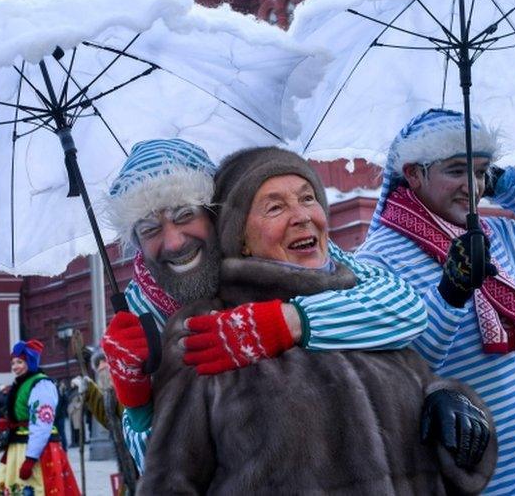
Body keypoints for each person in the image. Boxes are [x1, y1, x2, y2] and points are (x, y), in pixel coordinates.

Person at [130, 146, 494, 493]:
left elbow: (417, 351)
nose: (302, 216)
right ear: (238, 235)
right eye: (274, 208)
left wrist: (449, 401)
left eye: (308, 198)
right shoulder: (206, 329)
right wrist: (138, 406)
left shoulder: (359, 291)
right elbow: (170, 477)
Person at [356, 108, 515, 494]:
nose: (471, 186)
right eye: (456, 170)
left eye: (481, 172)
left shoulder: (494, 236)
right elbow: (396, 373)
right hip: (490, 479)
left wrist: (502, 182)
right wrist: (449, 294)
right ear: (414, 174)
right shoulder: (378, 259)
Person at [0, 340, 80, 496]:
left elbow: (42, 424)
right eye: (13, 362)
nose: (15, 367)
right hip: (18, 446)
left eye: (20, 362)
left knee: (36, 488)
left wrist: (31, 458)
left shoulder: (41, 385)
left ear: (31, 362)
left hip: (37, 449)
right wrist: (9, 423)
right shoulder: (22, 383)